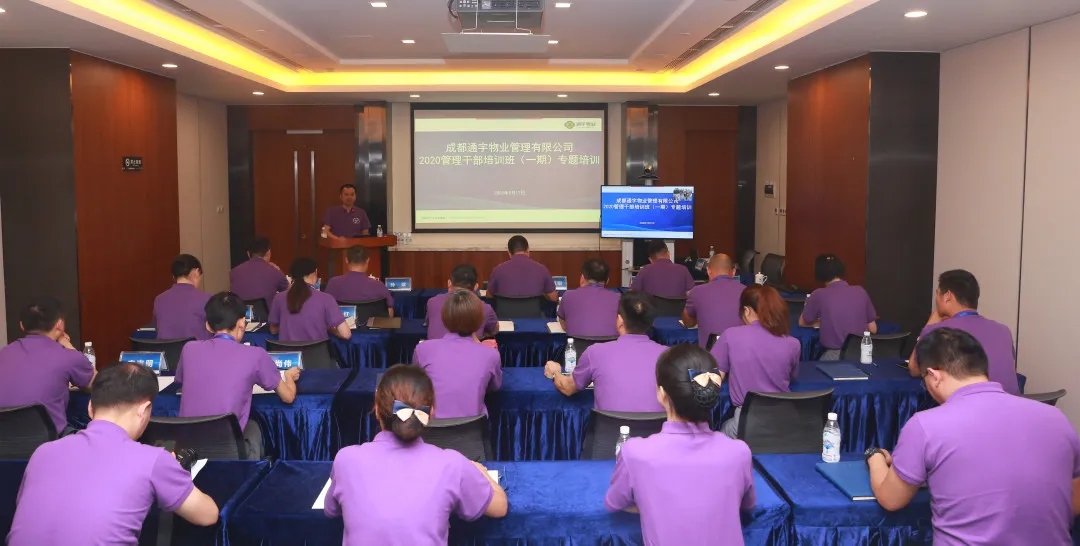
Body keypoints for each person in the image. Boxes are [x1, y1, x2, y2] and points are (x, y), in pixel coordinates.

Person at [867, 328, 1080, 545]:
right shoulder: (1056, 417)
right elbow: (1074, 494)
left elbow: (891, 499)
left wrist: (875, 457)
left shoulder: (925, 425)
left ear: (934, 376)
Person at [7, 363, 219, 545]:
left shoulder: (43, 452)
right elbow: (208, 515)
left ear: (90, 408)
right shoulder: (153, 460)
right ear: (144, 410)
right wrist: (173, 473)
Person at [325, 364, 507, 544]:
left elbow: (331, 510)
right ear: (431, 412)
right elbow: (500, 507)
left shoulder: (345, 460)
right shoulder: (452, 464)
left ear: (377, 408)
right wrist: (481, 472)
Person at [605, 344, 756, 545]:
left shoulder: (635, 453)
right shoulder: (739, 452)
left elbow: (614, 502)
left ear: (662, 394)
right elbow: (747, 505)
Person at [175, 292, 300, 460]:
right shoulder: (256, 355)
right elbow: (288, 397)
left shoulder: (188, 349)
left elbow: (184, 383)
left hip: (187, 453)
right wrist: (289, 376)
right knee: (254, 428)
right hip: (229, 454)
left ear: (208, 326)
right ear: (242, 323)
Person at [545, 291, 666, 412]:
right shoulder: (668, 355)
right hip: (659, 425)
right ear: (652, 322)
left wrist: (556, 372)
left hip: (607, 425)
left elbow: (567, 388)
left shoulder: (595, 352)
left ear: (620, 320)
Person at [908, 269, 1019, 394]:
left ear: (947, 296)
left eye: (938, 293)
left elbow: (914, 369)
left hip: (971, 404)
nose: (936, 299)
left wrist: (930, 324)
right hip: (1012, 402)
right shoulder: (1003, 330)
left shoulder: (937, 332)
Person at [711, 285, 801, 437]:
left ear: (747, 310)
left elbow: (714, 378)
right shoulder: (793, 343)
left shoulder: (730, 335)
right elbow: (792, 376)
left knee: (718, 436)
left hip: (747, 423)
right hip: (785, 422)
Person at [0, 297, 96, 436]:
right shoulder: (67, 356)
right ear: (60, 324)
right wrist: (66, 344)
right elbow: (99, 385)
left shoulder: (3, 353)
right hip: (48, 442)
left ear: (21, 326)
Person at [413, 290, 502, 419]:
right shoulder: (491, 355)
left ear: (444, 317)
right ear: (480, 320)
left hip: (430, 426)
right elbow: (494, 387)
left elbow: (415, 385)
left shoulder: (423, 349)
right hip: (473, 428)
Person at [799, 254, 877, 360]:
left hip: (835, 356)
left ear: (819, 273)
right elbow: (873, 329)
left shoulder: (818, 294)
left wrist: (821, 322)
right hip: (864, 355)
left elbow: (802, 322)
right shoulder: (861, 291)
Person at [269, 258, 352, 342]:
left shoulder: (278, 298)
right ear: (315, 272)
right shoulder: (326, 298)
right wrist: (329, 328)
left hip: (288, 350)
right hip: (318, 350)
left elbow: (273, 330)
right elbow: (346, 334)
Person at [682, 253, 746, 347]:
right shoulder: (746, 292)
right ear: (733, 272)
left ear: (708, 271)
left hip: (709, 353)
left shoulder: (697, 291)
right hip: (739, 351)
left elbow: (688, 323)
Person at [426, 264, 499, 340]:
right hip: (471, 346)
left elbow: (428, 324)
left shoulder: (432, 302)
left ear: (449, 283)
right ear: (476, 286)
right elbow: (494, 330)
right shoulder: (485, 308)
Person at [152, 254, 212, 340]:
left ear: (173, 276)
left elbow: (157, 327)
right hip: (196, 348)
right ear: (196, 272)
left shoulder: (159, 300)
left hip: (166, 348)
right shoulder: (207, 299)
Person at [557, 258, 621, 338]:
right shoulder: (619, 298)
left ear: (582, 277)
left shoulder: (568, 295)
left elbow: (564, 326)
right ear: (607, 280)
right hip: (611, 345)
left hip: (577, 345)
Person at [324, 246, 394, 317]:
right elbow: (389, 313)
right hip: (373, 324)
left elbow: (325, 311)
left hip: (341, 323)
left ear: (346, 260)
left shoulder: (333, 283)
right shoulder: (379, 286)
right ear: (367, 261)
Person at [487, 235, 558, 302]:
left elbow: (489, 297)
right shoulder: (542, 269)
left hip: (504, 311)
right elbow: (554, 298)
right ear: (528, 250)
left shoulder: (498, 270)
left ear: (509, 253)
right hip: (533, 311)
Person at [229, 237, 288, 310]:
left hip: (240, 315)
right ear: (268, 252)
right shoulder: (275, 271)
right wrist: (279, 270)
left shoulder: (234, 272)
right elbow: (291, 293)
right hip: (267, 316)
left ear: (248, 253)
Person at [630, 240, 696, 299]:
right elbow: (692, 295)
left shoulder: (644, 270)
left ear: (650, 259)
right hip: (678, 309)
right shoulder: (683, 270)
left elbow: (632, 296)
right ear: (668, 253)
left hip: (652, 309)